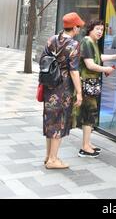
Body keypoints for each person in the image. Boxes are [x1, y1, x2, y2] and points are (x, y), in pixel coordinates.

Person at [74, 20, 116, 158]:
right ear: (90, 29)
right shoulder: (86, 42)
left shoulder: (92, 42)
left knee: (91, 115)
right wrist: (106, 69)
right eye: (97, 29)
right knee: (89, 115)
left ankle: (87, 144)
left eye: (102, 30)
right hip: (86, 84)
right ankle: (85, 147)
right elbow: (90, 64)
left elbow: (99, 57)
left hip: (91, 84)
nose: (100, 32)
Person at [42, 12, 84, 169]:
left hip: (49, 85)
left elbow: (43, 60)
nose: (79, 30)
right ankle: (53, 160)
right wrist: (79, 92)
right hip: (63, 88)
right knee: (59, 122)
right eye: (78, 27)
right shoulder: (74, 45)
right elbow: (74, 71)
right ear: (74, 27)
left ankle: (48, 156)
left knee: (50, 120)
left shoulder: (52, 39)